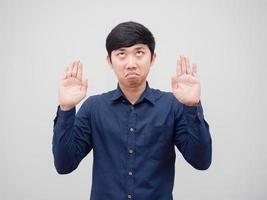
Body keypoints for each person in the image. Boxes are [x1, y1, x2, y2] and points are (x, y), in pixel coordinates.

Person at [52, 21, 212, 200]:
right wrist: (66, 109)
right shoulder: (94, 107)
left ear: (152, 58)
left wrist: (191, 107)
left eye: (139, 53)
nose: (131, 63)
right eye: (121, 54)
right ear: (109, 61)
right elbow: (64, 165)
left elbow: (202, 161)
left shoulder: (171, 105)